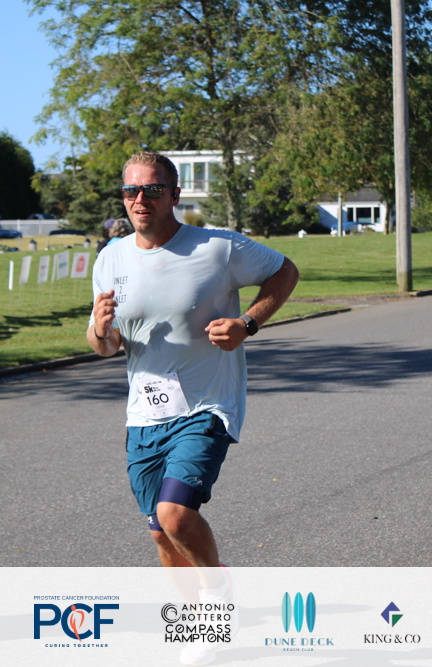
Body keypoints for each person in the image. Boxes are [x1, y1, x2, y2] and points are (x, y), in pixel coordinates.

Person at [88, 151, 299, 574]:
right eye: (131, 190)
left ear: (174, 195)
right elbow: (106, 346)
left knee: (175, 516)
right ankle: (194, 610)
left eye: (152, 189)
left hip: (206, 407)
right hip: (144, 416)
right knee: (160, 532)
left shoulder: (216, 247)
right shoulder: (111, 257)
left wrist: (246, 323)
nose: (140, 199)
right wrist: (100, 329)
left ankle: (218, 588)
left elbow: (285, 271)